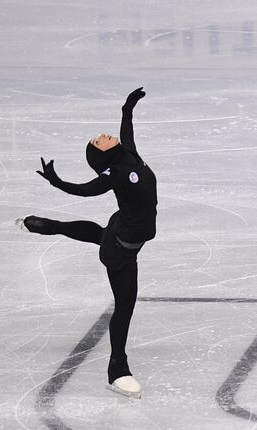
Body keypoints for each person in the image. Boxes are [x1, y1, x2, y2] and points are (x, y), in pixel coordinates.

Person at [18, 87, 157, 397]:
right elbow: (87, 190)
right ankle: (116, 370)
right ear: (104, 155)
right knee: (124, 305)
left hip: (122, 227)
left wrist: (127, 109)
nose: (103, 135)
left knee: (100, 234)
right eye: (99, 141)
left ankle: (51, 226)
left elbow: (126, 134)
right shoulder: (115, 174)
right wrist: (58, 182)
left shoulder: (129, 155)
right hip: (121, 250)